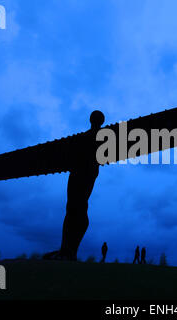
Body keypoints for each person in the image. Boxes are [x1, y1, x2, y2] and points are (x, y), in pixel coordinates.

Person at [43, 111, 105, 261]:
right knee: (73, 207)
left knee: (76, 207)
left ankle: (68, 251)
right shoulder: (85, 138)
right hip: (79, 173)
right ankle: (67, 250)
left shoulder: (100, 137)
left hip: (83, 173)